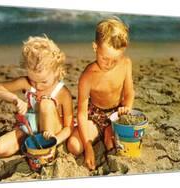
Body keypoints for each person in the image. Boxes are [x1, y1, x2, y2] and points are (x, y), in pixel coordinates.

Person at [67, 17, 135, 170]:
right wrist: (88, 147)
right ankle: (98, 136)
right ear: (95, 47)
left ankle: (106, 134)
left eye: (115, 60)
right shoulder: (87, 77)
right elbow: (82, 114)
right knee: (74, 146)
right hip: (94, 115)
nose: (109, 64)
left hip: (116, 113)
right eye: (105, 58)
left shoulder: (125, 64)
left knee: (114, 145)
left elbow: (130, 93)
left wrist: (127, 107)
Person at [0, 35, 74, 158]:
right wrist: (15, 99)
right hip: (31, 127)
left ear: (56, 71)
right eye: (33, 80)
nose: (38, 86)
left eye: (43, 81)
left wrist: (56, 140)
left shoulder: (62, 93)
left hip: (51, 132)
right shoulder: (26, 83)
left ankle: (47, 149)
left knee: (46, 103)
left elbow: (69, 127)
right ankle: (30, 144)